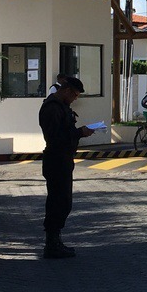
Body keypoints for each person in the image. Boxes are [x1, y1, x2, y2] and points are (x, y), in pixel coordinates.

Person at [38, 76, 94, 259]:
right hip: (56, 159)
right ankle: (51, 244)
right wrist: (80, 133)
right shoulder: (52, 108)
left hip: (63, 158)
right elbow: (55, 137)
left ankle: (55, 241)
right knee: (58, 202)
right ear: (68, 91)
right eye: (75, 95)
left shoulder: (60, 106)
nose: (75, 99)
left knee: (63, 202)